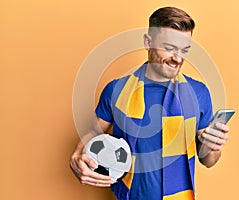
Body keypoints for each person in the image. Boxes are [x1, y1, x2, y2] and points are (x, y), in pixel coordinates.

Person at [70, 6, 230, 200]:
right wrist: (77, 157)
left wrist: (213, 147)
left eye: (184, 50)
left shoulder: (199, 93)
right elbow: (93, 135)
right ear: (148, 41)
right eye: (169, 48)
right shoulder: (116, 90)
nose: (177, 59)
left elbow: (208, 160)